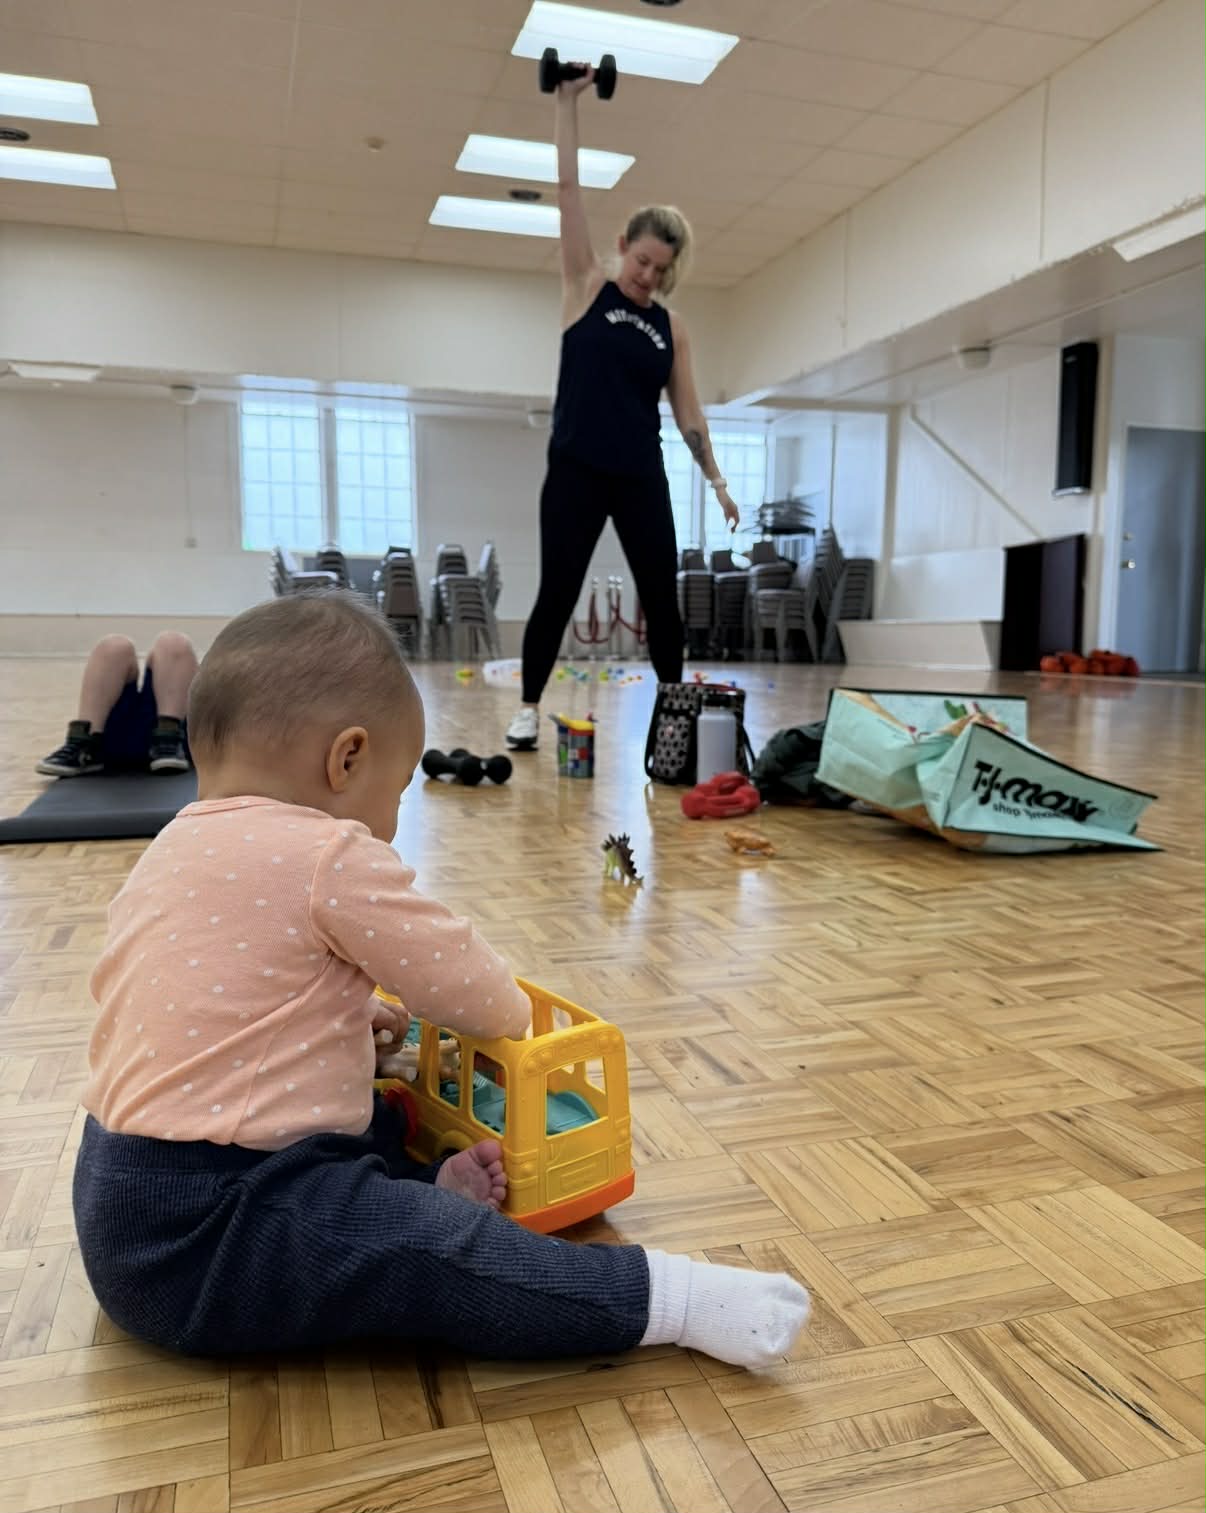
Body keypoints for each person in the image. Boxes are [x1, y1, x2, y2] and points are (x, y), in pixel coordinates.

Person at [72, 591, 809, 1365]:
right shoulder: (326, 852)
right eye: (393, 795)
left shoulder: (169, 849)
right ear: (346, 757)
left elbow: (208, 1013)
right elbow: (470, 989)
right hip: (211, 1236)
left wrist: (336, 1023)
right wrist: (513, 1007)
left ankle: (416, 1185)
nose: (388, 820)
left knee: (382, 1114)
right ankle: (667, 1298)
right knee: (436, 1249)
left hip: (122, 1200)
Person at [505, 69, 742, 752]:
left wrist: (718, 479)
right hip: (576, 469)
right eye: (641, 261)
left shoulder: (673, 327)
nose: (647, 277)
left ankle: (673, 712)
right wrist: (565, 104)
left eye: (661, 270)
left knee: (661, 599)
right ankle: (527, 708)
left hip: (640, 474)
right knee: (558, 591)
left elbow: (690, 413)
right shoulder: (586, 286)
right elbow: (569, 192)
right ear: (623, 248)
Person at [37, 632, 196, 778]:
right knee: (113, 647)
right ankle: (85, 743)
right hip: (111, 740)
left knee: (174, 643)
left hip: (181, 736)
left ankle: (168, 738)